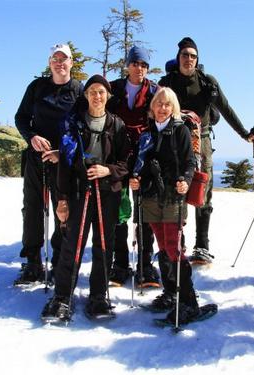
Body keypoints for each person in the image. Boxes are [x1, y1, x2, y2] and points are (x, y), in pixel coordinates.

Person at [158, 37, 254, 264]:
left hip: (201, 140)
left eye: (193, 56)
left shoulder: (207, 82)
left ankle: (202, 245)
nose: (189, 59)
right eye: (185, 55)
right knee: (176, 188)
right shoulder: (167, 82)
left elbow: (225, 108)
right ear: (178, 57)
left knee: (202, 190)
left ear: (197, 59)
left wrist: (244, 134)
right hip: (173, 140)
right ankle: (177, 242)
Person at [41, 75, 130, 321]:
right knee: (72, 244)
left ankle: (98, 297)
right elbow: (65, 166)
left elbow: (126, 164)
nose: (97, 96)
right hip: (79, 190)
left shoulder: (117, 125)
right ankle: (62, 297)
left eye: (101, 92)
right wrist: (61, 199)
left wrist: (108, 170)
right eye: (92, 91)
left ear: (108, 96)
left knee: (104, 244)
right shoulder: (73, 124)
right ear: (86, 95)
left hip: (107, 193)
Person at [129, 87, 200, 323]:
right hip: (150, 196)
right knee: (163, 245)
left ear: (173, 108)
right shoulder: (147, 133)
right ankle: (171, 292)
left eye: (167, 104)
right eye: (158, 103)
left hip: (172, 196)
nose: (162, 108)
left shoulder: (180, 130)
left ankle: (188, 301)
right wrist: (136, 178)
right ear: (152, 107)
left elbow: (190, 161)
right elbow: (139, 162)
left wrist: (186, 182)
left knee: (173, 247)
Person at [14, 43, 82, 284]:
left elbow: (81, 128)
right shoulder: (37, 87)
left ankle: (59, 262)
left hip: (62, 159)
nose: (59, 63)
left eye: (64, 59)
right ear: (50, 62)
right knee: (32, 207)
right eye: (55, 59)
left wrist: (62, 151)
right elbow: (21, 117)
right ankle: (32, 260)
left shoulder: (78, 91)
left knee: (62, 209)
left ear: (71, 63)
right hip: (36, 156)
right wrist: (31, 136)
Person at [107, 45, 160, 288]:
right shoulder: (114, 89)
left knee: (144, 212)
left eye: (144, 65)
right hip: (117, 155)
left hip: (145, 157)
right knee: (118, 209)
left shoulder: (155, 91)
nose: (139, 68)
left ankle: (145, 265)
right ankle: (120, 265)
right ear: (127, 65)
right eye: (135, 63)